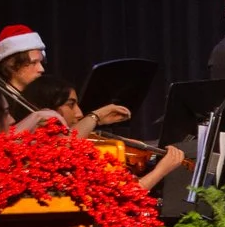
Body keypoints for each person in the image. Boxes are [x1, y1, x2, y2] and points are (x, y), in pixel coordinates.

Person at [21, 78, 184, 193]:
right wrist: (161, 170)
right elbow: (125, 195)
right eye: (71, 104)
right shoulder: (47, 123)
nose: (78, 113)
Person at [0, 24, 47, 110]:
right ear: (12, 65)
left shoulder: (41, 99)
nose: (41, 69)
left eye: (40, 62)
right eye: (34, 62)